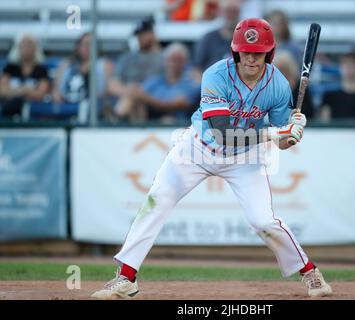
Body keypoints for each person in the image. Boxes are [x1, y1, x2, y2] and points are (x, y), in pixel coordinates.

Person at [91, 18, 332, 299]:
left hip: (245, 157)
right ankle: (125, 278)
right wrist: (274, 132)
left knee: (263, 221)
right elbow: (222, 134)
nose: (251, 58)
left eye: (258, 52)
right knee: (157, 200)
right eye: (246, 51)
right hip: (198, 148)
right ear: (235, 51)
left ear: (269, 53)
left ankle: (310, 273)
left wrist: (293, 131)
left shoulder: (277, 84)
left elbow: (282, 142)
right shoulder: (216, 75)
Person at [115, 43, 200, 124]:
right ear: (165, 61)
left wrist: (144, 97)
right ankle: (116, 118)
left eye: (178, 60)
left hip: (178, 122)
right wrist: (135, 91)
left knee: (168, 120)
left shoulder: (191, 82)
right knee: (132, 96)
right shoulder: (157, 80)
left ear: (185, 62)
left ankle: (117, 120)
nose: (174, 64)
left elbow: (176, 105)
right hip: (149, 117)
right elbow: (139, 91)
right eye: (171, 60)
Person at [108, 17, 164, 120]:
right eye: (138, 35)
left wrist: (137, 91)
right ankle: (118, 118)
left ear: (152, 34)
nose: (140, 37)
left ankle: (115, 119)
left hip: (153, 101)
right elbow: (112, 84)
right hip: (130, 101)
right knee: (133, 98)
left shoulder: (164, 58)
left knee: (134, 96)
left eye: (144, 33)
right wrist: (128, 91)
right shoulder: (127, 57)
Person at [52, 33, 113, 104]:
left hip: (92, 106)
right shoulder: (65, 64)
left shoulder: (104, 64)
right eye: (84, 44)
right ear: (78, 47)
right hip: (66, 102)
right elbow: (56, 90)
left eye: (90, 44)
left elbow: (107, 90)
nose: (87, 48)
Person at [0, 34, 50, 119]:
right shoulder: (9, 68)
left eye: (29, 45)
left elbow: (41, 94)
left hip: (33, 110)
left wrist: (15, 92)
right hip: (8, 108)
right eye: (23, 45)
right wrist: (24, 90)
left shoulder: (41, 70)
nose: (26, 48)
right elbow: (2, 91)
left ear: (35, 48)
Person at [320, 51, 355, 122]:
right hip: (333, 132)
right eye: (345, 65)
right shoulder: (329, 95)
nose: (348, 68)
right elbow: (325, 120)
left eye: (352, 65)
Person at [191, 0, 241, 74]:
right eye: (227, 11)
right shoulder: (208, 38)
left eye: (234, 11)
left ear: (239, 13)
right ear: (220, 12)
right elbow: (196, 69)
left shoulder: (246, 39)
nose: (231, 15)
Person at [273, 50, 315, 118]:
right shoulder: (271, 86)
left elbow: (309, 110)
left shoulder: (301, 86)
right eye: (279, 69)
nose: (282, 73)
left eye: (285, 69)